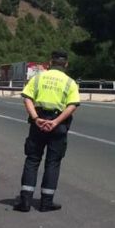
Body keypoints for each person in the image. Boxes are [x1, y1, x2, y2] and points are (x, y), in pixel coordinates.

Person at [13, 50, 80, 212]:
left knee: (32, 159)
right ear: (66, 64)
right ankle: (46, 202)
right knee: (53, 162)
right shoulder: (70, 82)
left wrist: (36, 118)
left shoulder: (38, 78)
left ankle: (25, 202)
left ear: (50, 63)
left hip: (38, 122)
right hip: (58, 125)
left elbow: (27, 98)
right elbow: (72, 105)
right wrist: (56, 121)